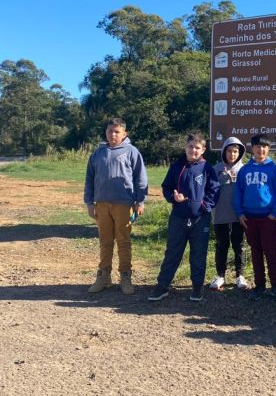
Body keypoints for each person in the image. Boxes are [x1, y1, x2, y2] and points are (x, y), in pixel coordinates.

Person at [148, 133, 219, 302]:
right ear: (185, 147)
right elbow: (166, 187)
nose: (193, 150)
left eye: (197, 147)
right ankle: (162, 286)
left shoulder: (207, 168)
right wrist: (173, 198)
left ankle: (197, 287)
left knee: (198, 253)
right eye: (190, 147)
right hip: (178, 217)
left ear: (203, 150)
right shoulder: (176, 166)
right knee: (172, 252)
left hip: (200, 219)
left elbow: (214, 191)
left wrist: (203, 206)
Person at [84, 117, 148, 295]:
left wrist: (140, 201)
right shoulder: (98, 153)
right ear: (106, 133)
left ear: (124, 133)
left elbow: (140, 179)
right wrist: (89, 202)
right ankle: (104, 276)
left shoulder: (132, 152)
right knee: (105, 242)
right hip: (102, 204)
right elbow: (89, 179)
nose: (113, 134)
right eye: (110, 131)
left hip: (124, 204)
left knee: (123, 241)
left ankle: (125, 276)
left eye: (117, 131)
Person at [233, 134, 276, 302]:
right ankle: (260, 285)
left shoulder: (273, 169)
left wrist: (275, 213)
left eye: (264, 147)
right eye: (257, 146)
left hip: (267, 218)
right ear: (252, 149)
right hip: (249, 218)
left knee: (270, 252)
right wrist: (240, 213)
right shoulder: (245, 170)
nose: (260, 149)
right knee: (255, 252)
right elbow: (238, 192)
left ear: (268, 149)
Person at [209, 137, 248, 291]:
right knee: (221, 245)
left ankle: (240, 275)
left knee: (239, 246)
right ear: (224, 152)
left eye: (236, 151)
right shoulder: (216, 169)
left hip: (239, 215)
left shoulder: (244, 170)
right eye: (230, 151)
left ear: (240, 153)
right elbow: (209, 189)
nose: (232, 154)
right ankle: (220, 275)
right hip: (220, 214)